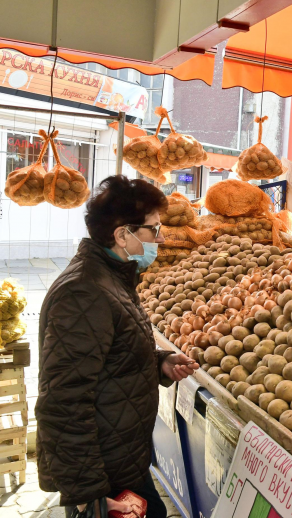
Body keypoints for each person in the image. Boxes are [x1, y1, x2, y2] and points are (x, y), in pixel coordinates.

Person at [35, 176, 199, 518]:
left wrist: (160, 363)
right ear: (123, 235)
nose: (161, 238)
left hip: (121, 463)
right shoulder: (84, 292)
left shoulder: (111, 279)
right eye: (153, 229)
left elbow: (109, 357)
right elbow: (63, 401)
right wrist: (90, 498)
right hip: (102, 476)